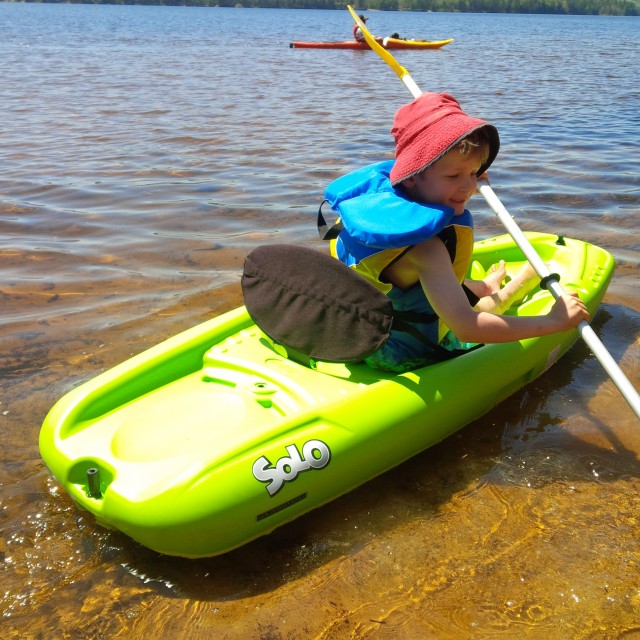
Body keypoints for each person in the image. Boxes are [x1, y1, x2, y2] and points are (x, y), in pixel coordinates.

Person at [323, 92, 590, 372]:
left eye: (475, 172)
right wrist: (554, 322)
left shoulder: (372, 209)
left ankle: (486, 288)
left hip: (362, 333)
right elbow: (467, 328)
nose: (470, 187)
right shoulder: (428, 249)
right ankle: (511, 290)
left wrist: (460, 174)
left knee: (453, 295)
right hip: (408, 352)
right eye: (454, 176)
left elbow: (439, 190)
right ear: (412, 176)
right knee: (479, 312)